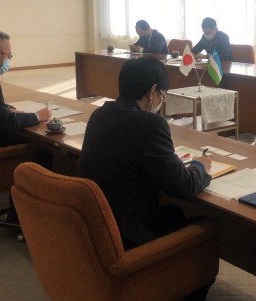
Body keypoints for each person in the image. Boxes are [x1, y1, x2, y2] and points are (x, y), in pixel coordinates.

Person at [78, 56, 212, 251]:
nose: (161, 101)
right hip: (128, 234)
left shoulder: (99, 114)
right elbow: (184, 186)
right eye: (163, 95)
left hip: (96, 224)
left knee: (174, 212)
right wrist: (200, 165)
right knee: (204, 223)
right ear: (153, 92)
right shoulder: (150, 125)